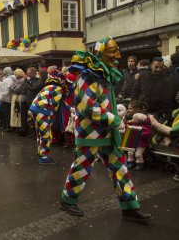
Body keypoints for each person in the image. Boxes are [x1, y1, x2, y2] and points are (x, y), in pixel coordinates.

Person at [60, 37, 152, 223]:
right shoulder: (87, 76)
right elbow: (88, 107)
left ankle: (130, 208)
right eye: (113, 51)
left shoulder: (104, 74)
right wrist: (114, 119)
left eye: (117, 51)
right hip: (90, 133)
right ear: (101, 53)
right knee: (82, 167)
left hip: (108, 131)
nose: (117, 55)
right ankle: (67, 200)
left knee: (120, 169)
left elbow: (106, 103)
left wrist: (116, 120)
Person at [29, 70, 67, 164]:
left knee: (40, 133)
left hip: (34, 108)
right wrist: (50, 121)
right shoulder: (59, 89)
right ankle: (44, 157)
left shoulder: (49, 87)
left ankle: (41, 153)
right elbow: (54, 106)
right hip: (42, 110)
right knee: (46, 134)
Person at [131, 57, 176, 123]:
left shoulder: (167, 80)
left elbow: (167, 98)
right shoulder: (143, 76)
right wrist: (133, 105)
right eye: (156, 67)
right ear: (151, 65)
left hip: (157, 113)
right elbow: (135, 90)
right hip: (142, 109)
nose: (158, 69)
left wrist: (167, 115)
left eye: (161, 67)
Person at [0, 67, 16, 132]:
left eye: (4, 71)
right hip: (9, 99)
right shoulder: (10, 78)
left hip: (6, 99)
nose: (3, 73)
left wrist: (1, 97)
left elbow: (6, 89)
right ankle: (10, 127)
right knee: (9, 114)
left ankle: (9, 127)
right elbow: (4, 86)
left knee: (7, 114)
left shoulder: (8, 79)